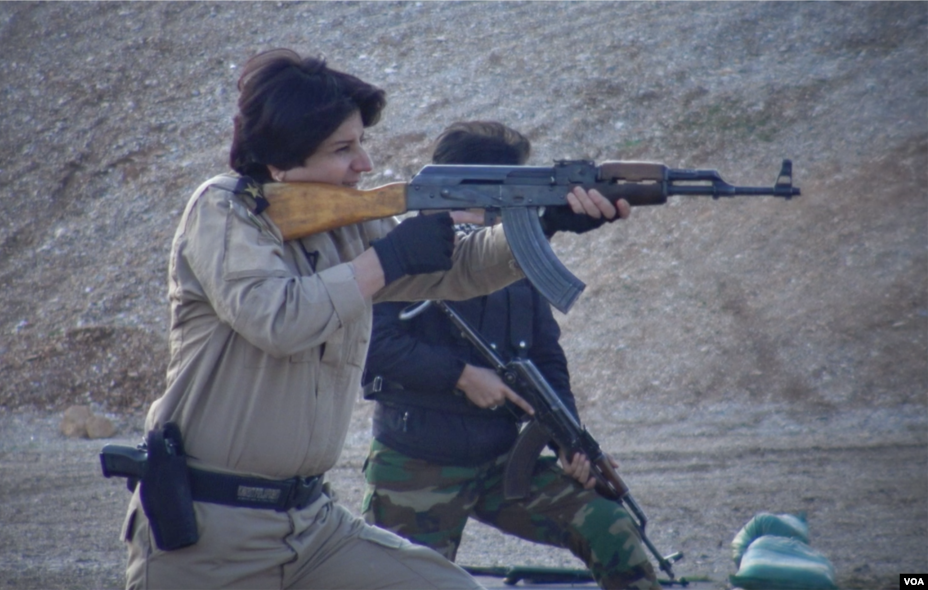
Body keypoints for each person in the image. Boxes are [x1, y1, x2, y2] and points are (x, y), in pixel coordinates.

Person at [120, 49, 628, 590]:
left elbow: (459, 270)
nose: (364, 164)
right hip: (210, 530)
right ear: (279, 160)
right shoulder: (224, 210)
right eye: (343, 149)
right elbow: (279, 318)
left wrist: (543, 220)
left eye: (361, 143)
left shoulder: (344, 226)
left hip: (311, 525)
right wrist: (387, 259)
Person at [361, 121, 660, 590]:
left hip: (503, 463)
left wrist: (569, 439)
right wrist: (462, 375)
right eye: (509, 183)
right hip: (419, 463)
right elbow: (370, 347)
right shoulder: (406, 248)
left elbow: (545, 354)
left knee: (610, 527)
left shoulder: (511, 254)